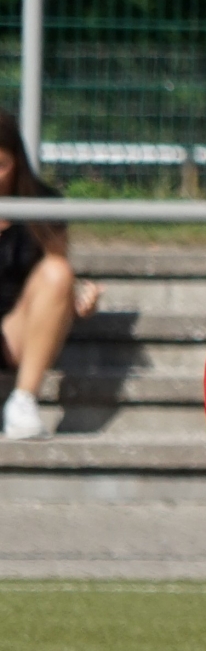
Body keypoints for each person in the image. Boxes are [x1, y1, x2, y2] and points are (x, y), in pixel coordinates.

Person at [0, 114, 99, 441]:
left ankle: (23, 402)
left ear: (17, 161)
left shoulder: (42, 205)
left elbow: (58, 273)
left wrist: (79, 299)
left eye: (0, 165)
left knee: (58, 272)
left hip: (15, 330)